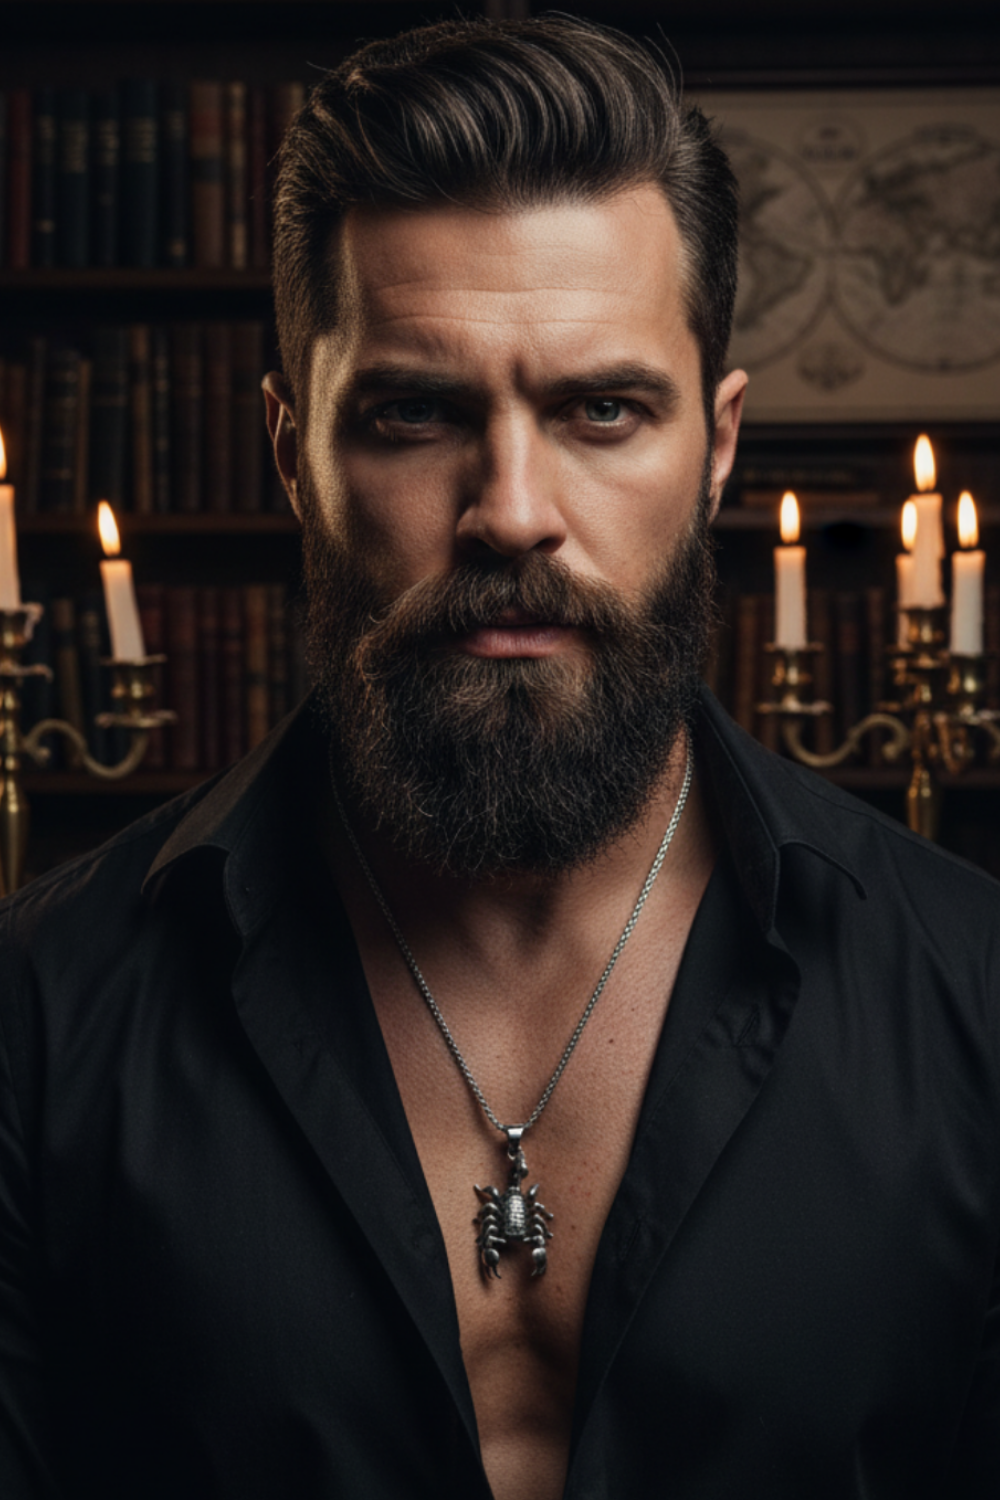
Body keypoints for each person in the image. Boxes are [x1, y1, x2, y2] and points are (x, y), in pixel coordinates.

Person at [1, 16, 998, 1500]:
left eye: (603, 409)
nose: (512, 512)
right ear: (294, 452)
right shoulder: (43, 1016)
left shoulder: (970, 995)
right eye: (415, 413)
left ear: (718, 449)